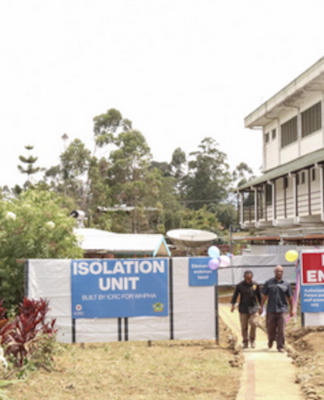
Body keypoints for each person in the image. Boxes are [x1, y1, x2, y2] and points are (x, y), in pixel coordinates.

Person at [259, 265, 293, 353]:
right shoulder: (269, 283)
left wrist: (292, 309)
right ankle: (271, 339)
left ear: (282, 273)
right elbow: (264, 296)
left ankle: (280, 346)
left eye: (281, 271)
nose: (279, 273)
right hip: (271, 310)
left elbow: (290, 298)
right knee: (271, 328)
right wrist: (261, 307)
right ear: (274, 272)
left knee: (281, 329)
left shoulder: (286, 284)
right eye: (277, 271)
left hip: (282, 310)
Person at [231, 270, 261, 348]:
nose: (248, 280)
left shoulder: (255, 285)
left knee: (254, 323)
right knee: (244, 326)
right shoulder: (240, 285)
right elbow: (235, 295)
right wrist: (233, 305)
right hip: (243, 308)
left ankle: (252, 340)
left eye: (250, 278)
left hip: (253, 307)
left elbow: (259, 296)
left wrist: (261, 306)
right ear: (244, 277)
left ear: (252, 277)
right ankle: (245, 341)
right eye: (247, 278)